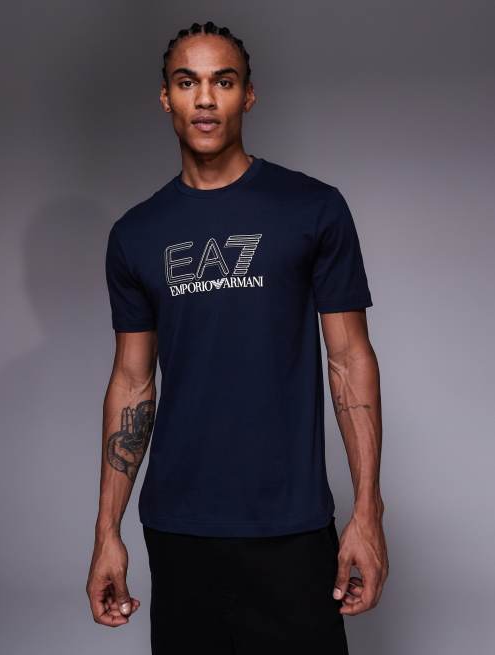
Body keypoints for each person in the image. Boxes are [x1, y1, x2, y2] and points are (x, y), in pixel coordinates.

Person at [86, 20, 389, 654]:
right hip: (179, 526)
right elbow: (133, 381)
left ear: (248, 95)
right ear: (165, 97)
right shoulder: (136, 234)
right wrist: (106, 530)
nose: (204, 98)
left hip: (291, 524)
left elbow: (348, 358)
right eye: (187, 82)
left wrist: (367, 510)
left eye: (223, 82)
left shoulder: (313, 208)